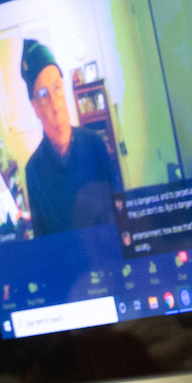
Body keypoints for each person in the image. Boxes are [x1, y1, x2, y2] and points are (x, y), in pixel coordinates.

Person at [19, 39, 120, 236]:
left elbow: (118, 214)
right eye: (43, 94)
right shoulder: (34, 172)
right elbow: (44, 241)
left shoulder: (95, 146)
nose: (55, 106)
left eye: (57, 88)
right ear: (35, 107)